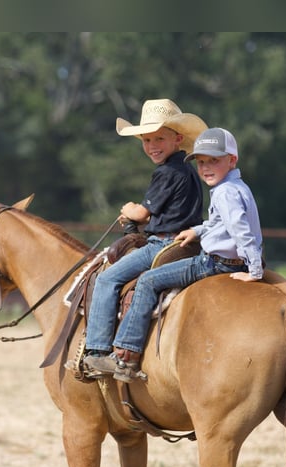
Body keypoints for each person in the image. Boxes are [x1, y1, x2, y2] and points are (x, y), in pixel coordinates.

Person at [90, 127, 264, 383]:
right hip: (210, 253)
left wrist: (255, 270)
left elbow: (241, 230)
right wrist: (196, 230)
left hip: (213, 263)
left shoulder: (217, 190)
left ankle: (124, 356)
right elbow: (220, 223)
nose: (205, 167)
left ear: (232, 160)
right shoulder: (235, 186)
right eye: (202, 162)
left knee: (147, 281)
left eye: (213, 161)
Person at [82, 99, 208, 378]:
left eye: (159, 138)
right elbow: (175, 214)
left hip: (163, 244)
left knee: (106, 278)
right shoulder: (188, 170)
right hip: (187, 243)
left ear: (177, 139)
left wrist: (129, 211)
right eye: (146, 139)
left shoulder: (166, 172)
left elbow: (141, 212)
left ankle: (99, 351)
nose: (152, 145)